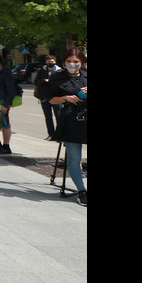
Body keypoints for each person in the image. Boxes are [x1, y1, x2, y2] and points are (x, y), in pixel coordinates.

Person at [47, 49, 87, 206]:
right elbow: (51, 100)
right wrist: (65, 98)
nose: (73, 64)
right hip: (71, 120)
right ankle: (81, 190)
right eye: (69, 61)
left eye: (76, 62)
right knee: (74, 158)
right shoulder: (57, 78)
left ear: (81, 62)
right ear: (64, 62)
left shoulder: (86, 75)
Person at [33, 55, 62, 140]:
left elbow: (63, 83)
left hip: (56, 97)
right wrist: (44, 81)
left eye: (52, 62)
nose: (50, 63)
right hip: (44, 97)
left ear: (55, 62)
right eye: (49, 62)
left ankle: (59, 134)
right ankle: (51, 135)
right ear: (46, 62)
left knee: (59, 116)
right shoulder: (42, 71)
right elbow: (36, 82)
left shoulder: (59, 71)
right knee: (48, 117)